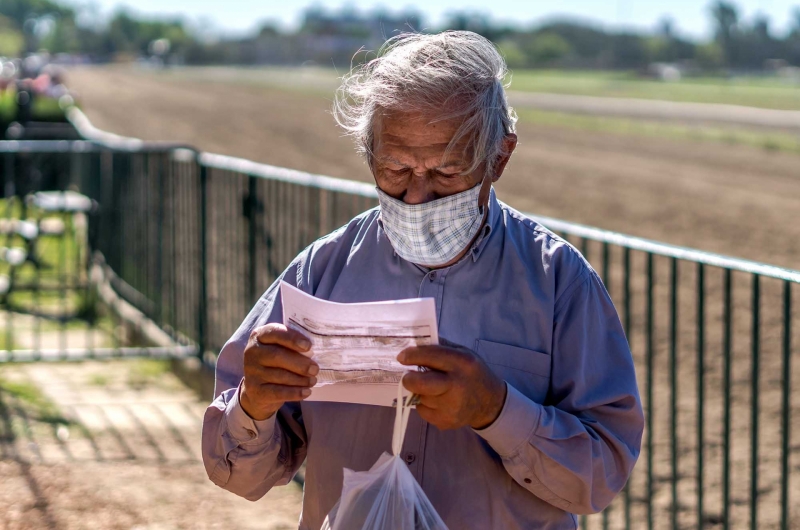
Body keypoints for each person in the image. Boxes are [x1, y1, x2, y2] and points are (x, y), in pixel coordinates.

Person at [202, 31, 643, 529]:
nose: (416, 196)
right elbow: (237, 473)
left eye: (447, 172)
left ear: (499, 157)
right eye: (394, 168)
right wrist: (253, 405)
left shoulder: (558, 282)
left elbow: (602, 474)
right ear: (368, 152)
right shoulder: (321, 271)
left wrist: (497, 410)